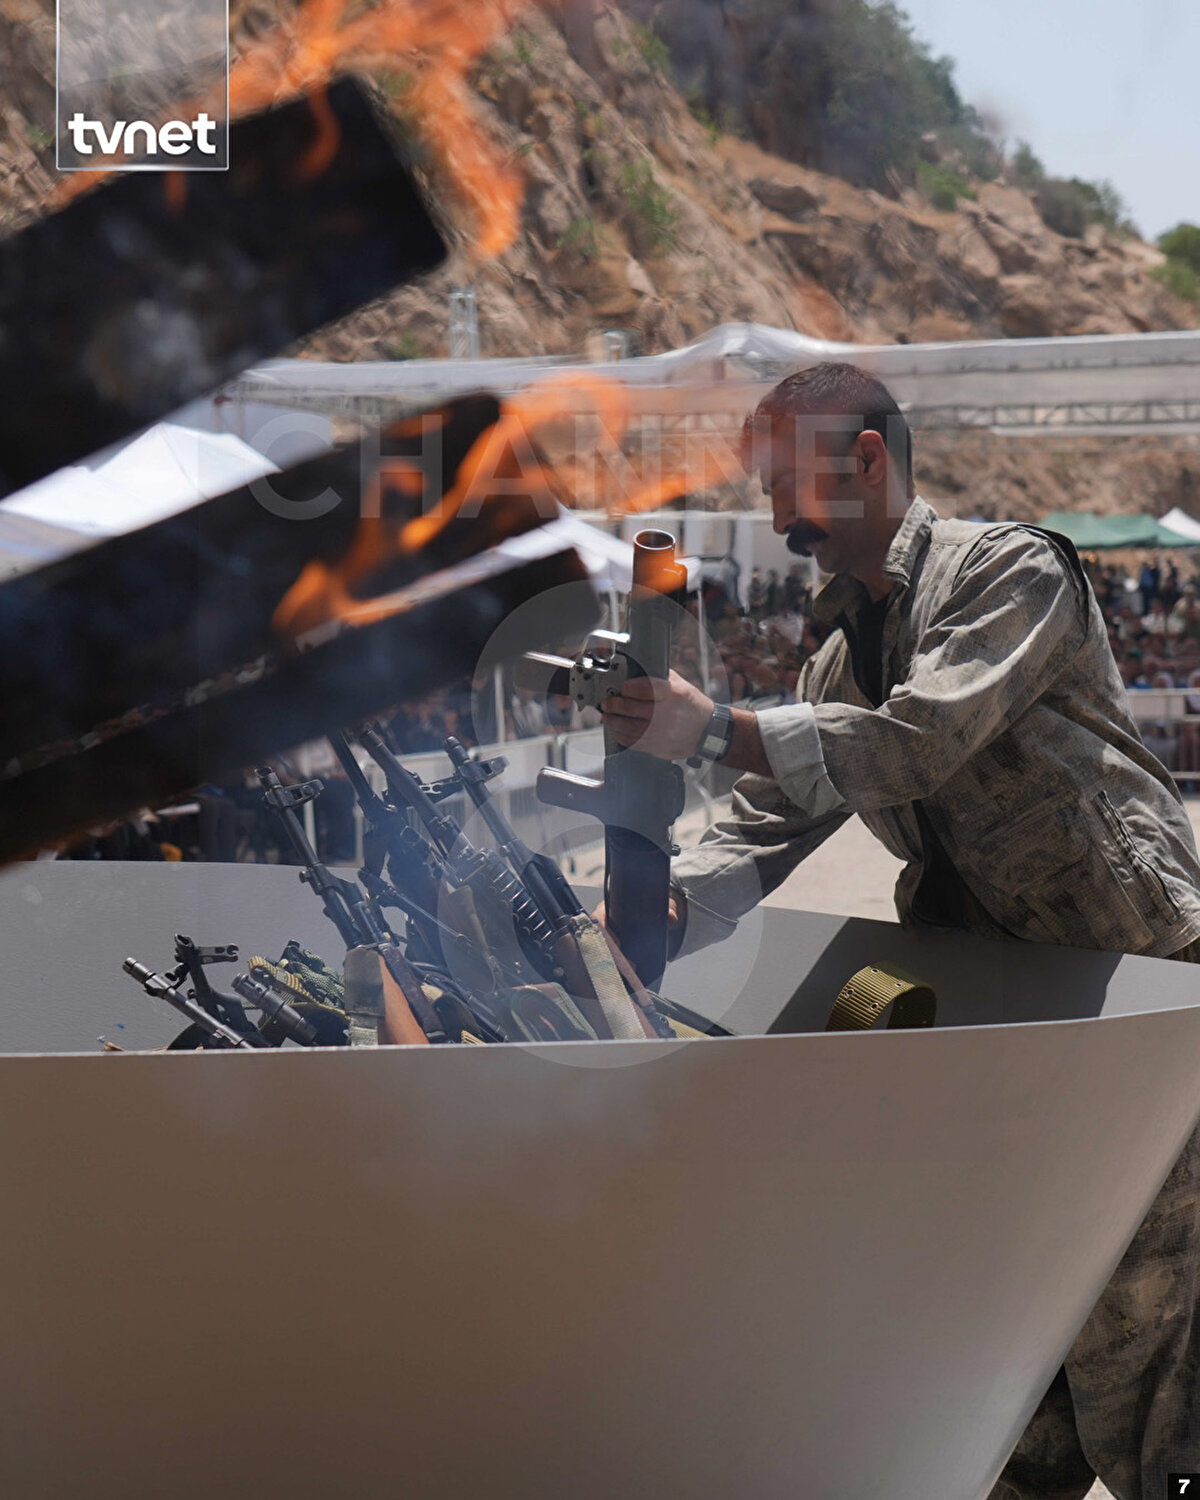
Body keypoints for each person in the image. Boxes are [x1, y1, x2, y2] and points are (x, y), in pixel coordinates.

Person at [598, 361, 1200, 1500]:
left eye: (785, 483)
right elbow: (766, 817)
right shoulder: (837, 656)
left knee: (1143, 1336)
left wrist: (712, 724)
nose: (777, 521)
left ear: (865, 458)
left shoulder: (1013, 573)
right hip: (999, 1010)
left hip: (1138, 993)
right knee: (1011, 1323)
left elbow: (914, 742)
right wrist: (668, 903)